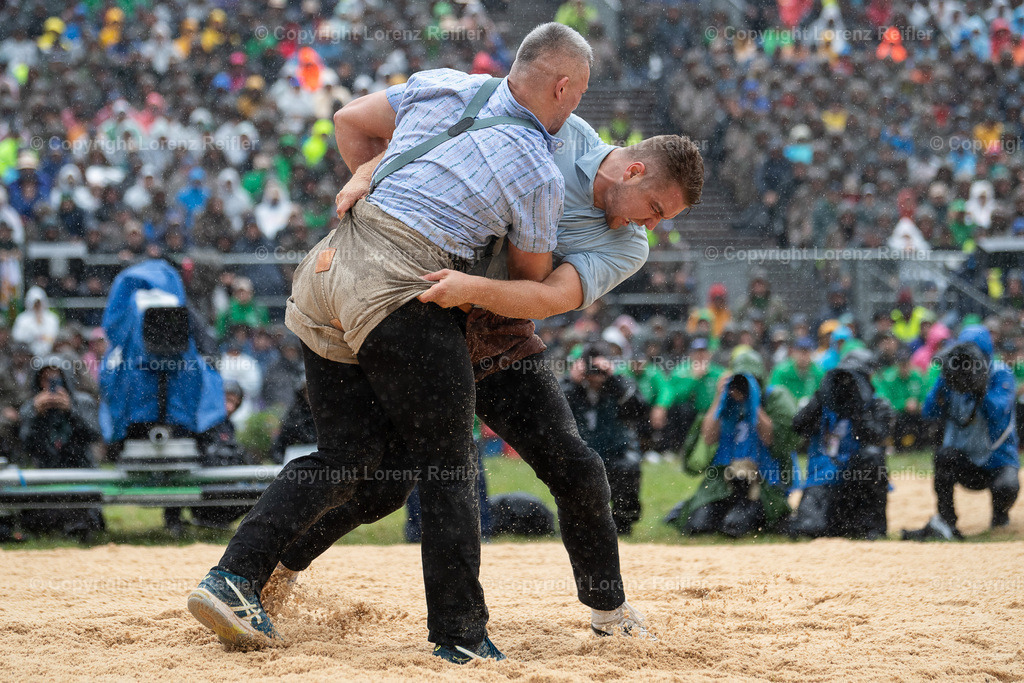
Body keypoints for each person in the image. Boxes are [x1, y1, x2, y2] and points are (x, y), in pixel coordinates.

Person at [189, 23, 593, 661]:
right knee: (450, 464)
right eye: (579, 97)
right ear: (564, 88)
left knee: (350, 455)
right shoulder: (538, 168)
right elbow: (526, 284)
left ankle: (237, 578)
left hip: (327, 268)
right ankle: (460, 637)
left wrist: (381, 189)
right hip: (405, 285)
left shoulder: (445, 84)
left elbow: (349, 119)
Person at [252, 114, 701, 649]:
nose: (646, 227)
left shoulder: (630, 248)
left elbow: (550, 298)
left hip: (498, 332)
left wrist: (472, 288)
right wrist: (370, 170)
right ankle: (281, 566)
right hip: (418, 316)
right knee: (384, 485)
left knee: (577, 467)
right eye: (653, 210)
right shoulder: (551, 129)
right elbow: (429, 138)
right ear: (633, 169)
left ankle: (609, 609)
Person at [903, 326, 1020, 541]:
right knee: (943, 457)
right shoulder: (951, 375)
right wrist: (943, 381)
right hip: (964, 460)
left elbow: (998, 414)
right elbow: (929, 412)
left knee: (1007, 486)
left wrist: (980, 389)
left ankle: (1000, 514)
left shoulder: (1001, 373)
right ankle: (947, 522)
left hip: (997, 461)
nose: (968, 365)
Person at [666, 350, 798, 537]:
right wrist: (719, 398)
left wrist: (754, 402)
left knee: (734, 527)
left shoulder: (774, 398)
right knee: (696, 525)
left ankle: (751, 514)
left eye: (751, 380)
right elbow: (709, 436)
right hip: (725, 481)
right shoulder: (727, 401)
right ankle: (698, 509)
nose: (743, 386)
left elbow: (771, 438)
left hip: (762, 481)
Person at [789, 349, 894, 540]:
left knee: (871, 458)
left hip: (855, 485)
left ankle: (873, 527)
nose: (848, 384)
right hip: (823, 481)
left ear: (868, 378)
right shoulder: (824, 403)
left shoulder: (878, 406)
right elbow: (797, 426)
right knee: (809, 528)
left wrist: (858, 409)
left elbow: (876, 437)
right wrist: (821, 396)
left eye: (855, 378)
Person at [564, 344, 648, 535]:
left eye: (599, 368)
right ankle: (581, 523)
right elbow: (551, 412)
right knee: (571, 472)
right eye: (591, 368)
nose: (595, 374)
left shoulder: (619, 384)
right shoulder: (571, 388)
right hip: (582, 451)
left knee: (628, 467)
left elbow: (640, 410)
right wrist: (572, 381)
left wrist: (613, 379)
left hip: (616, 450)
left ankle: (623, 523)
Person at [18, 356, 105, 540]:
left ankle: (78, 523)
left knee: (78, 512)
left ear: (66, 379)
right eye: (45, 379)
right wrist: (36, 415)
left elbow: (93, 435)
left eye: (56, 378)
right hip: (46, 473)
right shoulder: (31, 407)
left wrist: (71, 411)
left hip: (80, 470)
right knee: (35, 518)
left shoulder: (83, 402)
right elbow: (26, 445)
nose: (51, 384)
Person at [873, 346, 928, 451]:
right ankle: (897, 445)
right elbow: (886, 401)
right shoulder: (889, 379)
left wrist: (920, 404)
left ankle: (920, 444)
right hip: (898, 414)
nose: (904, 368)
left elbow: (925, 394)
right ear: (897, 365)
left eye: (906, 364)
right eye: (902, 365)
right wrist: (904, 405)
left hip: (917, 412)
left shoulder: (917, 376)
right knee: (894, 420)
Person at [769, 336, 823, 408]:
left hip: (810, 412)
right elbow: (773, 392)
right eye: (800, 352)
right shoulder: (781, 371)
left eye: (807, 352)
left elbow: (823, 395)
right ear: (794, 352)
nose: (803, 357)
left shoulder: (818, 373)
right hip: (786, 409)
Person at [12, 286, 60, 357]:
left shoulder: (52, 318)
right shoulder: (22, 319)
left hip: (49, 354)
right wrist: (31, 337)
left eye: (39, 303)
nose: (37, 306)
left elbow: (55, 335)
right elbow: (16, 336)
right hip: (27, 355)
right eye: (35, 303)